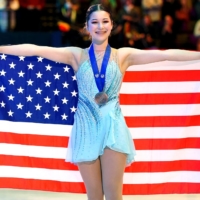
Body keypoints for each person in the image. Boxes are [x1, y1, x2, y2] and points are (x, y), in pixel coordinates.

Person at [1, 4, 200, 200]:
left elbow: (165, 54)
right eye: (94, 22)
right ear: (87, 27)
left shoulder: (123, 55)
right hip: (85, 128)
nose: (100, 26)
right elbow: (35, 50)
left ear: (112, 25)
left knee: (114, 195)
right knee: (94, 196)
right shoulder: (76, 55)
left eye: (105, 21)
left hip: (113, 127)